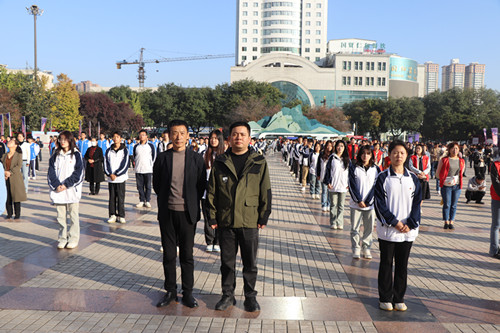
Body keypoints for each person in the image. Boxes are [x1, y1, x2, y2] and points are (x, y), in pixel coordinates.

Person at [207, 121, 272, 312]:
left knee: (250, 263)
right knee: (227, 263)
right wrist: (212, 217)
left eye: (242, 134)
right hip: (226, 221)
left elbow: (265, 191)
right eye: (235, 134)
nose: (238, 138)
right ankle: (228, 295)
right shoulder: (220, 162)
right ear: (229, 138)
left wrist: (263, 216)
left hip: (250, 220)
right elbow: (211, 192)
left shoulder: (258, 162)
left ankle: (250, 297)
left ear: (249, 138)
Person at [153, 120, 206, 309]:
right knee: (168, 254)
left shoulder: (196, 159)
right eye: (174, 133)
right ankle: (170, 291)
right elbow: (157, 185)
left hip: (187, 214)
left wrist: (190, 201)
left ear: (187, 136)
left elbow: (201, 186)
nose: (178, 137)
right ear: (169, 135)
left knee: (187, 255)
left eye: (182, 133)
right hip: (167, 213)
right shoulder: (162, 158)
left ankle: (188, 292)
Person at [374, 140, 421, 312]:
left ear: (406, 155)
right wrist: (395, 222)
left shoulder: (413, 179)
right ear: (389, 155)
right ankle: (385, 297)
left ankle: (399, 297)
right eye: (395, 152)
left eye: (401, 153)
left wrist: (410, 223)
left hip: (407, 231)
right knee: (386, 263)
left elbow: (417, 203)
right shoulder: (382, 178)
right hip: (388, 231)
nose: (398, 156)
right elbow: (379, 204)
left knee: (402, 264)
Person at [47, 131, 84, 249]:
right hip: (58, 191)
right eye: (61, 139)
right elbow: (51, 172)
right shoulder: (55, 154)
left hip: (71, 190)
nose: (62, 142)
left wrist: (66, 185)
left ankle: (73, 238)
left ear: (70, 140)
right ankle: (62, 238)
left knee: (73, 216)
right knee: (61, 217)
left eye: (65, 139)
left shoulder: (76, 154)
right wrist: (57, 185)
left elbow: (79, 173)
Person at [349, 145, 379, 259]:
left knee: (369, 228)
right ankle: (356, 248)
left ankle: (366, 247)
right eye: (363, 153)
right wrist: (358, 200)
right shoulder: (354, 168)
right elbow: (352, 185)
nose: (365, 156)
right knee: (355, 228)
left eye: (368, 153)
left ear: (371, 155)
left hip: (370, 205)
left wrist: (368, 201)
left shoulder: (376, 169)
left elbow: (376, 187)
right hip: (356, 204)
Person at [201, 129, 225, 252]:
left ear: (220, 140)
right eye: (211, 138)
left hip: (220, 192)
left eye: (216, 138)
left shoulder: (225, 156)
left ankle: (218, 241)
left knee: (220, 218)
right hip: (206, 192)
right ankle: (209, 241)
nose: (213, 140)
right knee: (207, 217)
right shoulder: (204, 154)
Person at [436, 142, 465, 230]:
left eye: (456, 148)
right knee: (447, 204)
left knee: (454, 205)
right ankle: (446, 221)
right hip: (446, 185)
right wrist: (444, 179)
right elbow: (437, 173)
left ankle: (451, 221)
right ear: (449, 149)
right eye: (453, 148)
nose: (455, 150)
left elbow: (462, 172)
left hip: (457, 185)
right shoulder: (444, 160)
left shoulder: (461, 161)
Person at [324, 140, 350, 229]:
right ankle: (333, 222)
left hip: (343, 185)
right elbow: (327, 171)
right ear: (336, 147)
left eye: (342, 146)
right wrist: (328, 182)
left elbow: (350, 173)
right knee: (333, 205)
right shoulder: (332, 158)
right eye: (338, 146)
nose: (340, 148)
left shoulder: (347, 159)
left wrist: (348, 184)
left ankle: (340, 222)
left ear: (344, 148)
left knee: (341, 205)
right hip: (333, 185)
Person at [104, 132, 129, 224]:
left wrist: (117, 174)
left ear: (121, 138)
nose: (115, 139)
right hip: (111, 179)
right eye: (114, 137)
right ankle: (112, 215)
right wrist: (110, 174)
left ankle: (121, 215)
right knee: (112, 197)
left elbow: (125, 164)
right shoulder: (108, 150)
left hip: (120, 178)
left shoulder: (125, 150)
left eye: (117, 137)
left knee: (121, 197)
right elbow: (106, 163)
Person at [2, 139, 26, 219]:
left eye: (11, 142)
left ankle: (17, 214)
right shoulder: (4, 155)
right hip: (5, 178)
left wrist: (10, 172)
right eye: (9, 141)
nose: (9, 142)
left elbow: (18, 166)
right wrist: (4, 172)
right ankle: (9, 213)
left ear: (15, 145)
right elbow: (1, 165)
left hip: (15, 177)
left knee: (16, 196)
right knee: (7, 196)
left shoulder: (18, 155)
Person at [133, 129, 156, 208]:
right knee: (140, 186)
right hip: (138, 169)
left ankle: (148, 200)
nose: (142, 136)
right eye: (140, 135)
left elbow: (153, 157)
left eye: (143, 135)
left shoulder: (150, 146)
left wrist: (150, 165)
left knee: (148, 186)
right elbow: (134, 156)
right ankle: (141, 200)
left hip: (148, 169)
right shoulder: (136, 146)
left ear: (146, 136)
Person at [317, 140, 333, 212]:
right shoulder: (322, 154)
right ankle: (324, 205)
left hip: (331, 177)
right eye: (328, 145)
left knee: (330, 192)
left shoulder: (333, 155)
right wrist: (318, 174)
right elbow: (318, 165)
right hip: (323, 175)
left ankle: (329, 204)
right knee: (324, 191)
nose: (329, 147)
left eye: (330, 145)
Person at [489, 159, 500, 259]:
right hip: (497, 197)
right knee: (496, 225)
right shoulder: (495, 165)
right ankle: (494, 250)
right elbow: (495, 182)